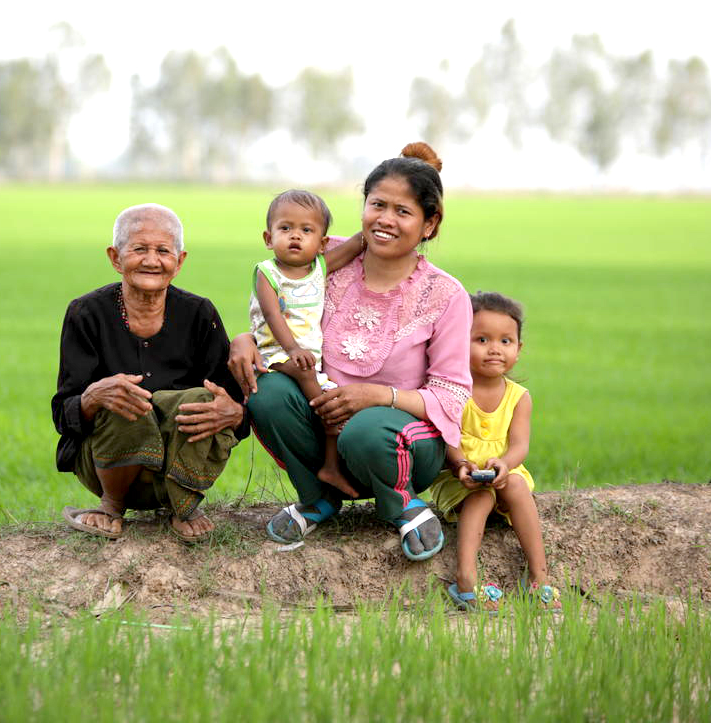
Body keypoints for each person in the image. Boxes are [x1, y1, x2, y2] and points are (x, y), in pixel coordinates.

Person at [230, 143, 472, 561]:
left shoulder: (445, 296)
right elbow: (275, 301)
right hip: (323, 420)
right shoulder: (324, 257)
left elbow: (451, 395)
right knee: (267, 394)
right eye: (377, 204)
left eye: (403, 211)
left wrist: (378, 396)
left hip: (402, 443)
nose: (385, 219)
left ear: (430, 224)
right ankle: (318, 497)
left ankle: (403, 504)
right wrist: (244, 338)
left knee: (366, 429)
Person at [51, 203, 249, 542]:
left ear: (180, 261)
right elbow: (62, 415)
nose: (151, 260)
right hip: (106, 468)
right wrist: (93, 396)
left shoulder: (200, 314)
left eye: (163, 251)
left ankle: (182, 505)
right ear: (115, 257)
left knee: (203, 399)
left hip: (178, 470)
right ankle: (110, 507)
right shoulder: (86, 314)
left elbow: (230, 404)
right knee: (121, 396)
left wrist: (235, 413)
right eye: (139, 249)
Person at [428, 292, 561, 611]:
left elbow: (519, 446)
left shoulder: (519, 397)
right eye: (482, 339)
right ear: (460, 342)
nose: (494, 349)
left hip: (503, 472)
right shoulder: (454, 389)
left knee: (515, 484)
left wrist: (504, 464)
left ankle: (539, 577)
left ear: (519, 349)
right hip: (458, 477)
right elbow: (450, 440)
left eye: (506, 341)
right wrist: (461, 464)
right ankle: (466, 579)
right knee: (482, 496)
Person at [249, 189, 364, 499]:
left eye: (306, 230)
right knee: (321, 398)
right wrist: (293, 349)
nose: (295, 237)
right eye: (285, 228)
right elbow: (273, 315)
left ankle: (330, 466)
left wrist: (376, 220)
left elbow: (357, 244)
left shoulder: (319, 269)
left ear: (322, 243)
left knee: (332, 397)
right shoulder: (267, 273)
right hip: (275, 352)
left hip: (308, 361)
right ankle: (327, 419)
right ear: (268, 237)